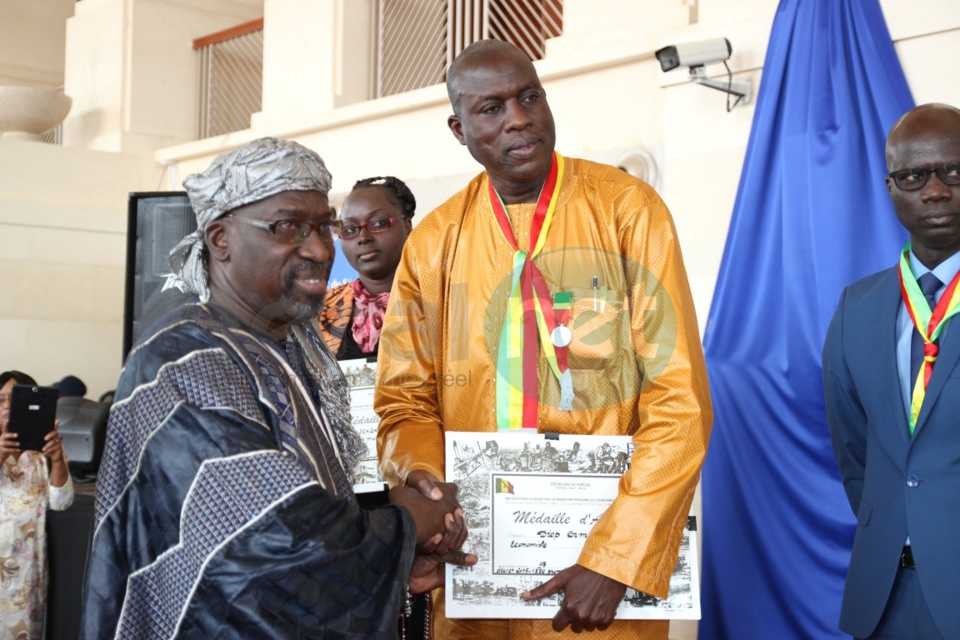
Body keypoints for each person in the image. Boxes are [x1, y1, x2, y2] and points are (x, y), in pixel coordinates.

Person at [375, 39, 712, 638]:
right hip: (477, 564)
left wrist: (617, 557)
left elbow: (678, 398)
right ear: (460, 128)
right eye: (493, 108)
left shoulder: (627, 210)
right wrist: (432, 503)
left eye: (530, 97)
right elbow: (406, 402)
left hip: (598, 573)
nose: (519, 118)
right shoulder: (433, 242)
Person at [80, 138, 473, 640]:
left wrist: (389, 528)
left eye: (323, 227)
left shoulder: (284, 347)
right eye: (287, 227)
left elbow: (295, 495)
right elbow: (268, 537)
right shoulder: (186, 356)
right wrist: (405, 524)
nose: (319, 249)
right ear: (219, 238)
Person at [823, 103, 960, 640]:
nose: (935, 191)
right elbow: (854, 452)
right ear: (890, 186)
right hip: (886, 597)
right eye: (914, 175)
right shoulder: (856, 307)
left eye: (954, 171)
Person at [0, 370, 74, 639]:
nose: (7, 406)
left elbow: (61, 501)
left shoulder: (42, 452)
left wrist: (56, 459)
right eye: (1, 400)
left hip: (27, 571)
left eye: (13, 399)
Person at [319, 176, 415, 359]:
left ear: (407, 225)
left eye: (378, 223)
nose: (363, 237)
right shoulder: (321, 311)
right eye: (350, 229)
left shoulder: (440, 298)